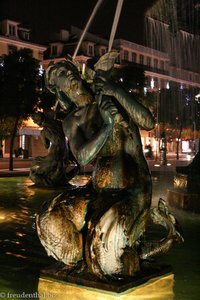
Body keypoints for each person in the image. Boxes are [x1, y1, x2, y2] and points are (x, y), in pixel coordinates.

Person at [38, 54, 156, 279]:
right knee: (50, 217)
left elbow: (148, 122)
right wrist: (108, 126)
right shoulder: (72, 121)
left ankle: (103, 253)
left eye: (70, 70)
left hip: (131, 189)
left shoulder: (108, 95)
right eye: (61, 74)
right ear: (57, 88)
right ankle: (76, 258)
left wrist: (115, 90)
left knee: (106, 251)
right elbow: (82, 157)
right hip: (96, 191)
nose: (69, 74)